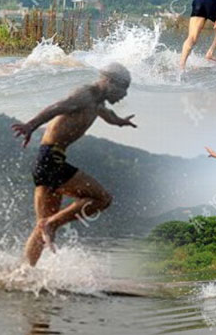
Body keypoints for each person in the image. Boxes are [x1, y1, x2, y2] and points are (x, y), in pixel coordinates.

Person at [11, 63, 137, 266]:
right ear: (109, 81)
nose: (124, 95)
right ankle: (52, 224)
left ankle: (25, 271)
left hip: (48, 160)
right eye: (123, 88)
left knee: (40, 227)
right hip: (51, 160)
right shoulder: (85, 94)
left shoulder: (96, 103)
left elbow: (108, 116)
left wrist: (121, 122)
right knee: (103, 199)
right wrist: (30, 126)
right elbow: (56, 107)